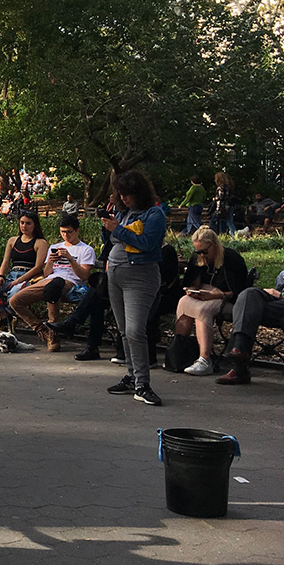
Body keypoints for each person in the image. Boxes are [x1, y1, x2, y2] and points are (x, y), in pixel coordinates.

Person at [102, 171, 167, 405]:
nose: (125, 199)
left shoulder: (154, 214)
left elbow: (148, 244)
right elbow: (111, 240)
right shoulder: (123, 212)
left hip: (140, 276)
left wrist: (117, 229)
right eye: (121, 195)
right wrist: (109, 226)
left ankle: (143, 384)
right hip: (116, 275)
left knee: (135, 330)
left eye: (128, 195)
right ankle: (132, 375)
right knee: (123, 330)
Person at [218, 225, 284, 385]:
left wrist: (283, 294)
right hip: (281, 299)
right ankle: (239, 351)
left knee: (249, 311)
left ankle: (239, 367)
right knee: (250, 294)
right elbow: (279, 282)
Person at [8, 213, 95, 352]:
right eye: (62, 232)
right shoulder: (55, 246)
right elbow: (47, 273)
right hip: (50, 280)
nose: (66, 235)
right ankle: (44, 330)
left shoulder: (85, 249)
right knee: (15, 301)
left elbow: (84, 276)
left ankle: (54, 333)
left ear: (77, 231)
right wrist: (50, 261)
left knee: (54, 286)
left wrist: (71, 259)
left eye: (69, 232)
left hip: (70, 282)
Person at [168, 226, 246, 377]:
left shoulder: (231, 259)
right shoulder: (197, 258)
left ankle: (205, 358)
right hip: (204, 293)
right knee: (184, 301)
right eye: (198, 251)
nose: (202, 254)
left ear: (214, 245)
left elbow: (239, 291)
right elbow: (191, 281)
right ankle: (179, 353)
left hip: (223, 296)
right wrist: (193, 288)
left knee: (203, 311)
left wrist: (215, 295)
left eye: (204, 251)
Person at [0, 211, 49, 324]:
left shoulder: (40, 242)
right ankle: (4, 316)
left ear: (34, 225)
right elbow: (6, 261)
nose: (24, 226)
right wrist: (0, 275)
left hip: (28, 277)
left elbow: (38, 267)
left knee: (15, 293)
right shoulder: (12, 240)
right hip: (11, 275)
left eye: (28, 223)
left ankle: (7, 317)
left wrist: (19, 281)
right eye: (22, 223)